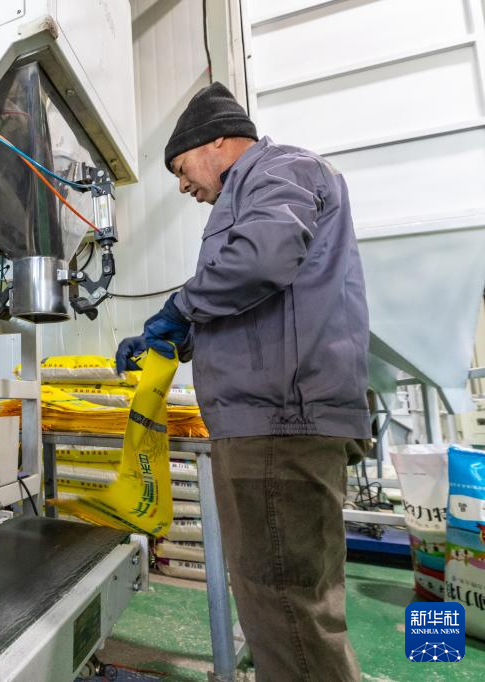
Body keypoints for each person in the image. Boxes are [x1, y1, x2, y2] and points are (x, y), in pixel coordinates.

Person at [116, 82, 371, 681]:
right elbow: (264, 302)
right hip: (271, 421)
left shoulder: (281, 168)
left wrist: (182, 307)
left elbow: (263, 258)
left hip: (280, 424)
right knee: (284, 606)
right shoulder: (260, 186)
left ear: (217, 142)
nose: (183, 186)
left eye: (181, 168)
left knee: (286, 609)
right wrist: (183, 337)